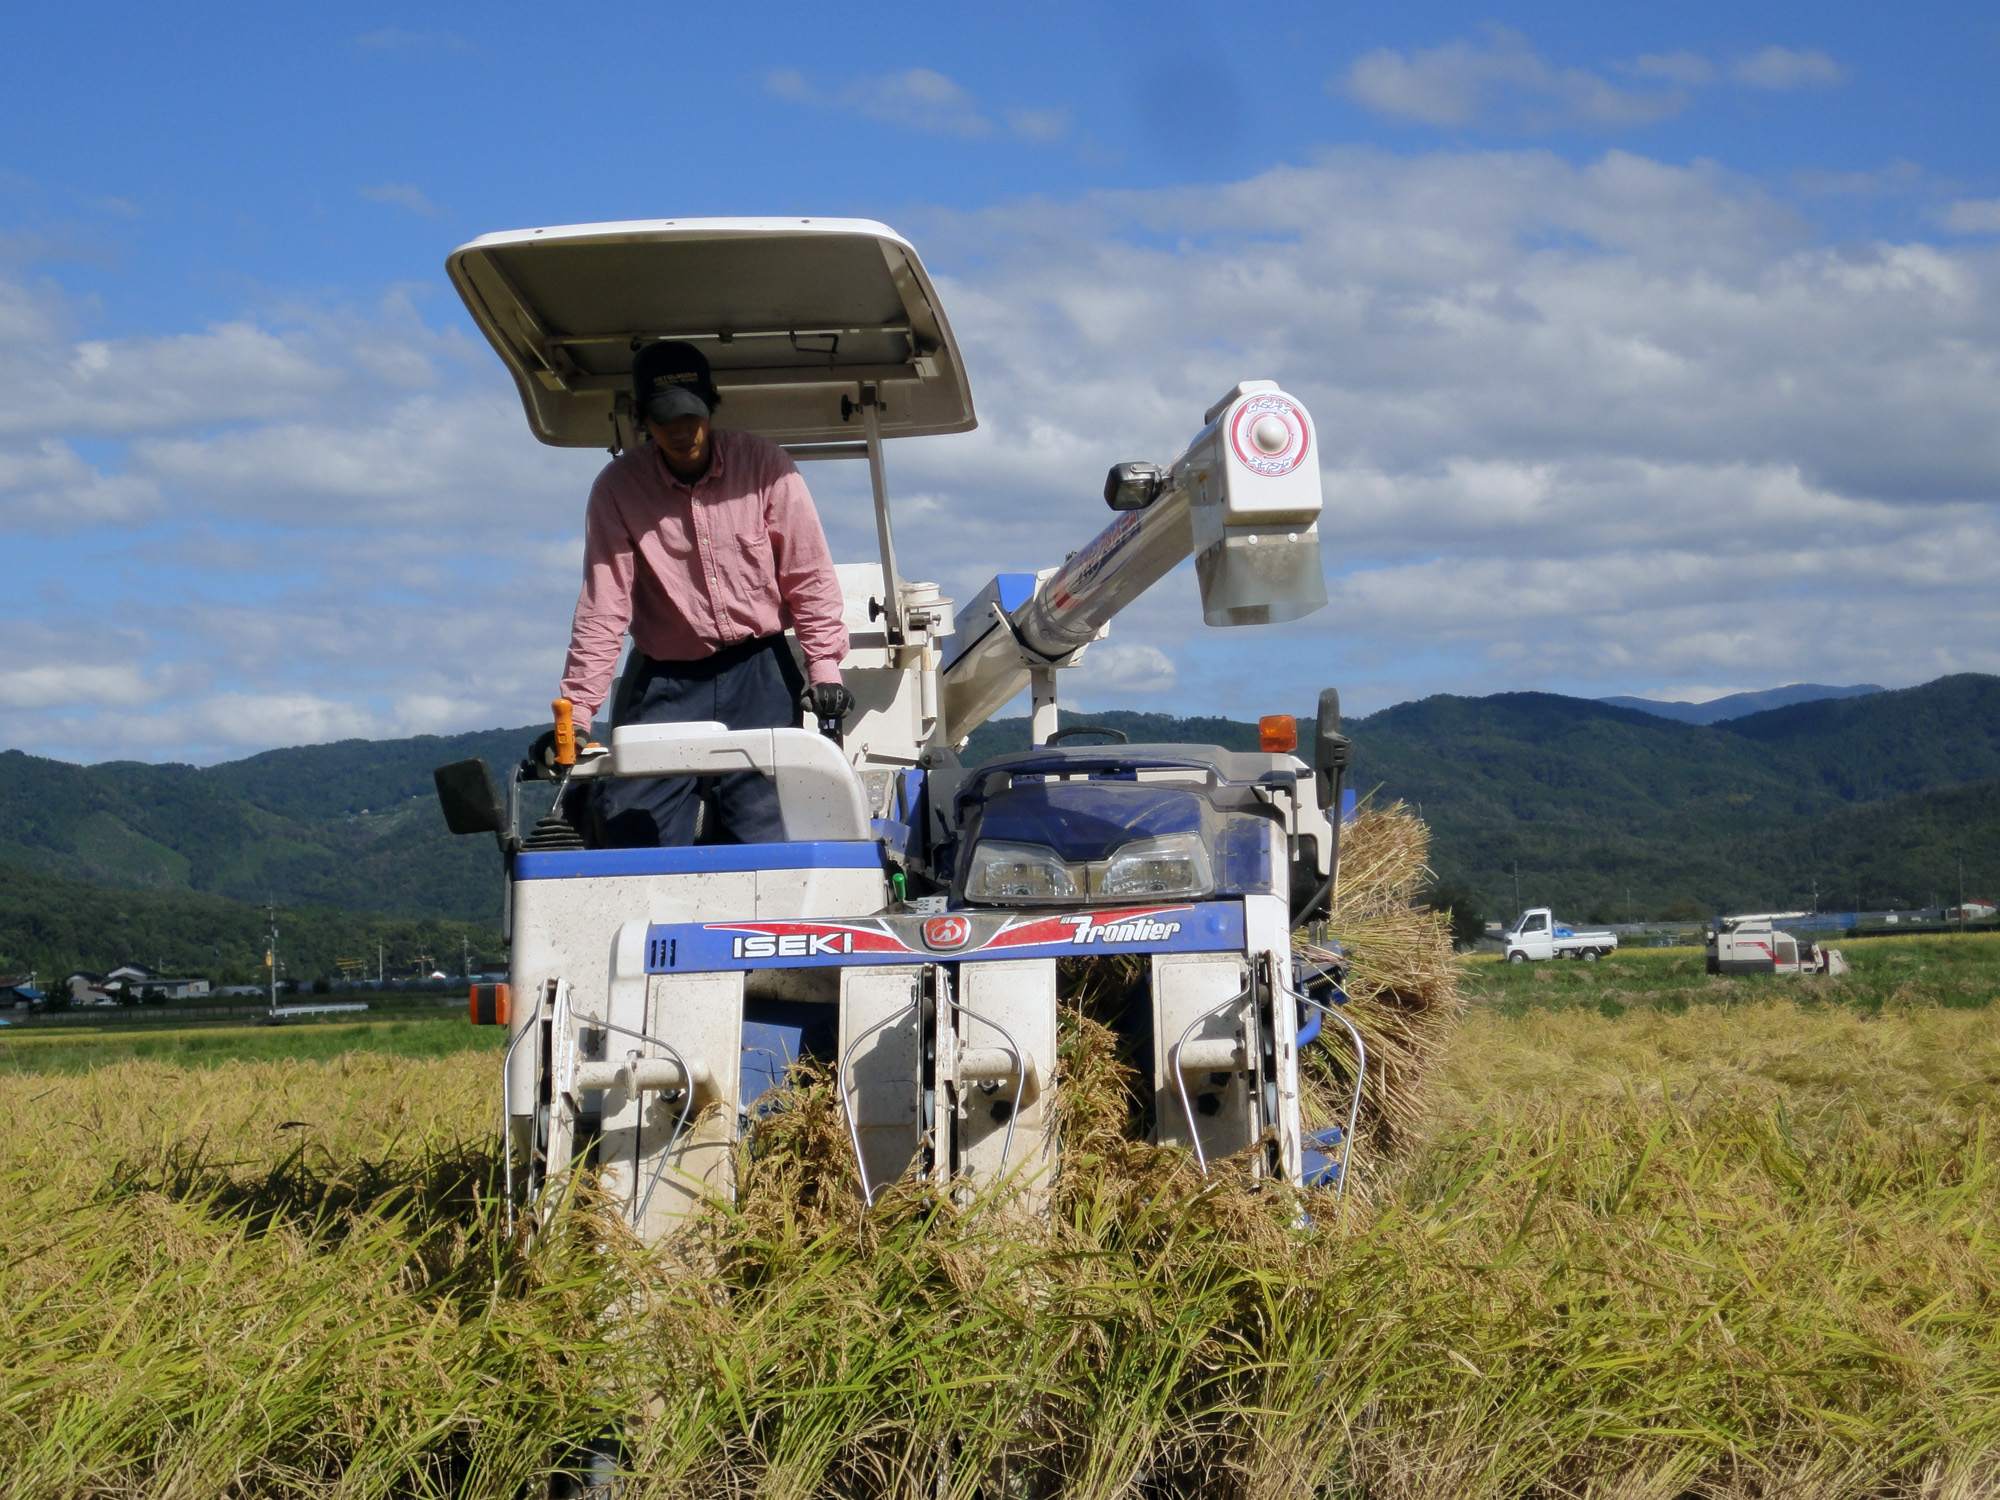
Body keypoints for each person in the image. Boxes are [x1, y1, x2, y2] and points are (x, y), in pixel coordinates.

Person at [532, 341, 855, 845]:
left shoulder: (766, 467)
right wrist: (576, 715)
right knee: (636, 827)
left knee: (765, 827)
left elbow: (808, 577)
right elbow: (603, 607)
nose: (681, 431)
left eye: (691, 415)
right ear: (643, 420)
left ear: (711, 407)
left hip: (760, 674)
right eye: (665, 420)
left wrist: (825, 669)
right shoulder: (618, 488)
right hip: (666, 680)